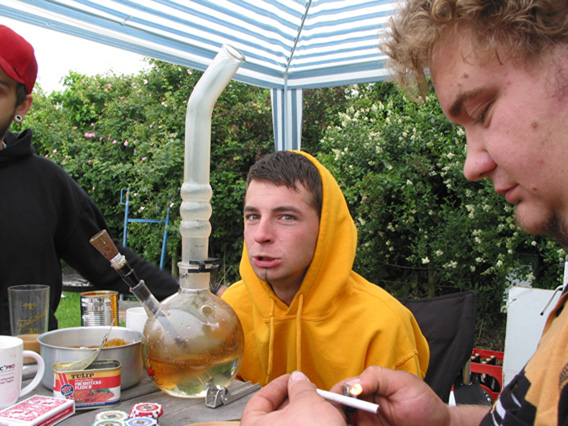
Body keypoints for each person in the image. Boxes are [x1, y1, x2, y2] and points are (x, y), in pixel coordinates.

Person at [238, 1, 568, 425]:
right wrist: (444, 420)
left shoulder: (382, 321)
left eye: (483, 111)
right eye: (251, 216)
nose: (471, 166)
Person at [0, 25, 179, 335]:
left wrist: (191, 298)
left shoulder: (47, 185)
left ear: (22, 105)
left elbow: (111, 260)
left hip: (26, 362)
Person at [221, 150, 429, 390]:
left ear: (326, 228)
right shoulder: (230, 310)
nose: (261, 235)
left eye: (286, 217)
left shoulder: (383, 324)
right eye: (253, 216)